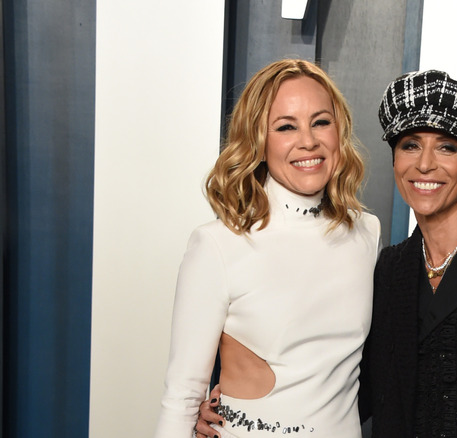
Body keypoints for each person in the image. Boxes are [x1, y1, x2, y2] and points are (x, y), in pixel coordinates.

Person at [197, 70, 457, 437]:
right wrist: (231, 408)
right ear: (396, 159)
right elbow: (346, 385)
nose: (425, 164)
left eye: (447, 148)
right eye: (410, 145)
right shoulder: (388, 270)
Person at [154, 59, 381, 438]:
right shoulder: (218, 244)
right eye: (286, 127)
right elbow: (181, 399)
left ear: (339, 130)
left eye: (321, 121)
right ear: (258, 141)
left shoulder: (365, 233)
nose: (308, 140)